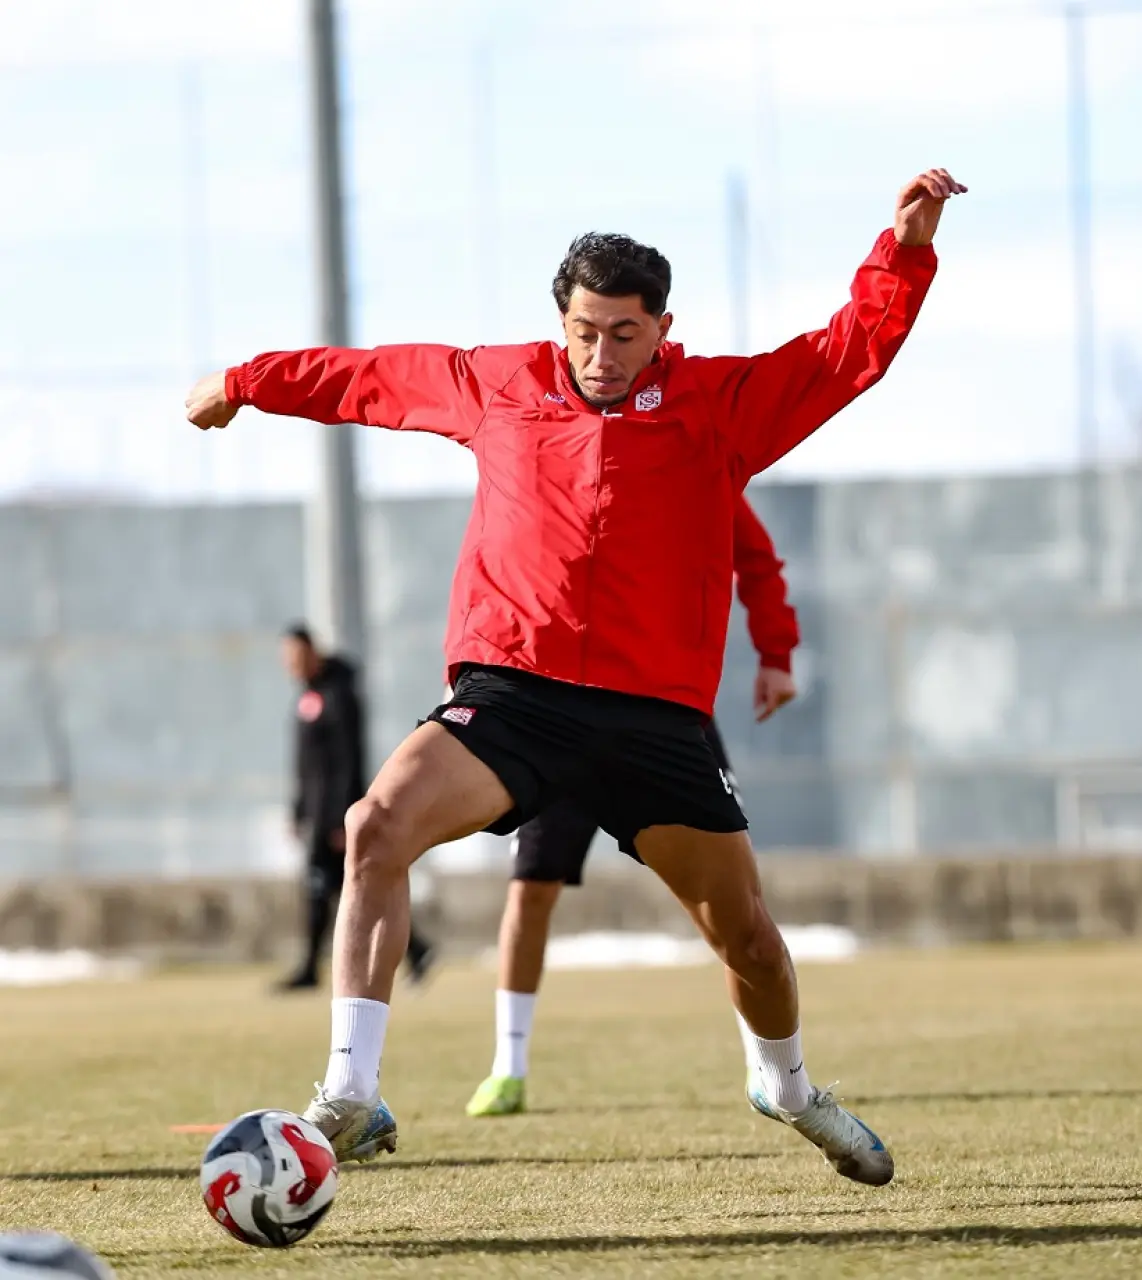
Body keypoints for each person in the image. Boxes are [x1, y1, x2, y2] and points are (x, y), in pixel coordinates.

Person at [185, 169, 964, 1187]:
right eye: (584, 332)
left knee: (750, 940)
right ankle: (349, 1091)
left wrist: (904, 249)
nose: (601, 355)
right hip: (515, 696)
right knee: (373, 825)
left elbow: (845, 353)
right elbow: (368, 378)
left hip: (655, 721)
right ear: (561, 322)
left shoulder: (719, 406)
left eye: (624, 334)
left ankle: (785, 1085)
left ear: (663, 328)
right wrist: (246, 380)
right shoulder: (499, 383)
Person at [466, 493, 800, 1117]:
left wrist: (776, 655)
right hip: (557, 710)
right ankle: (508, 1068)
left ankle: (766, 1066)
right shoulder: (558, 468)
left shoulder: (694, 468)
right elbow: (502, 553)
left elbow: (756, 560)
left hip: (663, 716)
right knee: (530, 889)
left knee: (729, 902)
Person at [278, 623, 434, 991]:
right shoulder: (307, 697)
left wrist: (341, 819)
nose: (290, 664)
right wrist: (299, 810)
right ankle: (415, 950)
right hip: (316, 814)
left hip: (334, 816)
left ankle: (314, 968)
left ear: (312, 652)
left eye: (296, 655)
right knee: (333, 889)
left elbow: (349, 760)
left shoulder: (339, 694)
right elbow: (306, 765)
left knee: (347, 888)